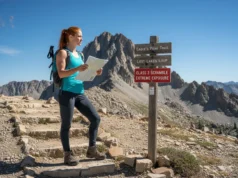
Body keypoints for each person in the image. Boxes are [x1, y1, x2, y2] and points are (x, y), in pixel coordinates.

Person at [55, 26, 106, 166]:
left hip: (79, 93)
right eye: (79, 36)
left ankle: (92, 150)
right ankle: (67, 155)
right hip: (66, 93)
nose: (81, 39)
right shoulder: (62, 53)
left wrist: (95, 72)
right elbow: (61, 73)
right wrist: (78, 68)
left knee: (95, 118)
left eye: (82, 36)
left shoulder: (81, 55)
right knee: (67, 124)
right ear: (70, 36)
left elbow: (83, 74)